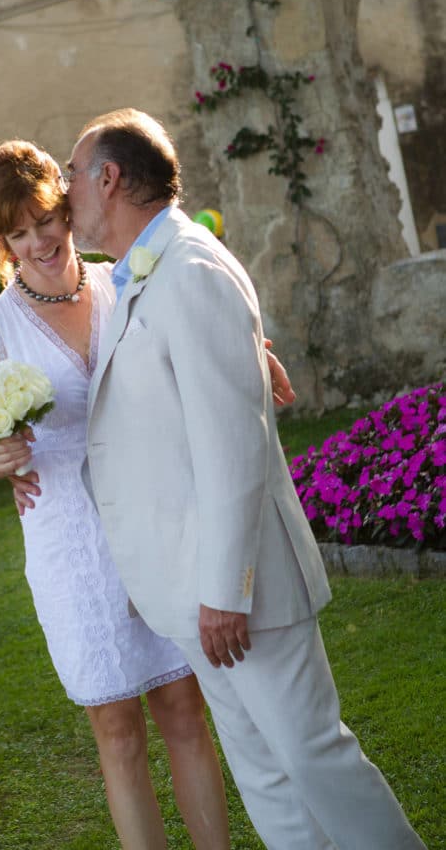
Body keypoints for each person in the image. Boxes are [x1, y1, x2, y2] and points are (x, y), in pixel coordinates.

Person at [62, 107, 428, 850]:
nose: (66, 190)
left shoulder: (190, 270)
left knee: (312, 757)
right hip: (191, 592)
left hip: (236, 591)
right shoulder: (140, 273)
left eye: (73, 173)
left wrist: (225, 591)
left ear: (108, 178)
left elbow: (234, 446)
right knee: (264, 773)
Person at [0, 139, 293, 850]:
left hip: (154, 517)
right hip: (70, 543)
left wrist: (252, 353)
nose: (40, 241)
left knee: (183, 707)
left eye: (46, 219)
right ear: (2, 242)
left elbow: (192, 345)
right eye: (18, 233)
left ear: (67, 208)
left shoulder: (124, 282)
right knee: (116, 729)